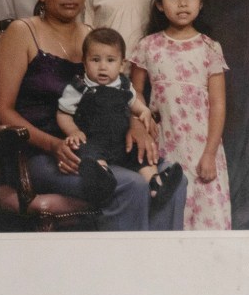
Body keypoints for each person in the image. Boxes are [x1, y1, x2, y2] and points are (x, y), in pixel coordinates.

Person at [0, 0, 186, 231]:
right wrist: (53, 145)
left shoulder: (92, 35)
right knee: (130, 185)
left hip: (99, 147)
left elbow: (119, 89)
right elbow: (0, 110)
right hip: (40, 154)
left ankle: (155, 268)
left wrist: (135, 123)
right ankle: (121, 271)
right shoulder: (22, 33)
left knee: (172, 179)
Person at [129, 0, 231, 230]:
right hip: (164, 142)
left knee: (207, 217)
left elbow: (218, 105)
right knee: (170, 211)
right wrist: (142, 122)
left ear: (201, 2)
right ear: (160, 5)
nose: (183, 3)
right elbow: (133, 92)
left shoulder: (209, 47)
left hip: (202, 146)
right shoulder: (148, 45)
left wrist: (209, 153)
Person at [56, 27, 183, 207]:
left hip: (121, 142)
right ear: (84, 63)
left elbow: (135, 105)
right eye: (95, 60)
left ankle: (155, 183)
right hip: (92, 141)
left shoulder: (123, 84)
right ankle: (102, 180)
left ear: (121, 64)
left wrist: (144, 112)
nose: (102, 67)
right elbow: (63, 114)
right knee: (87, 154)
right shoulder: (79, 86)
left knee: (141, 155)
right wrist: (74, 131)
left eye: (110, 60)